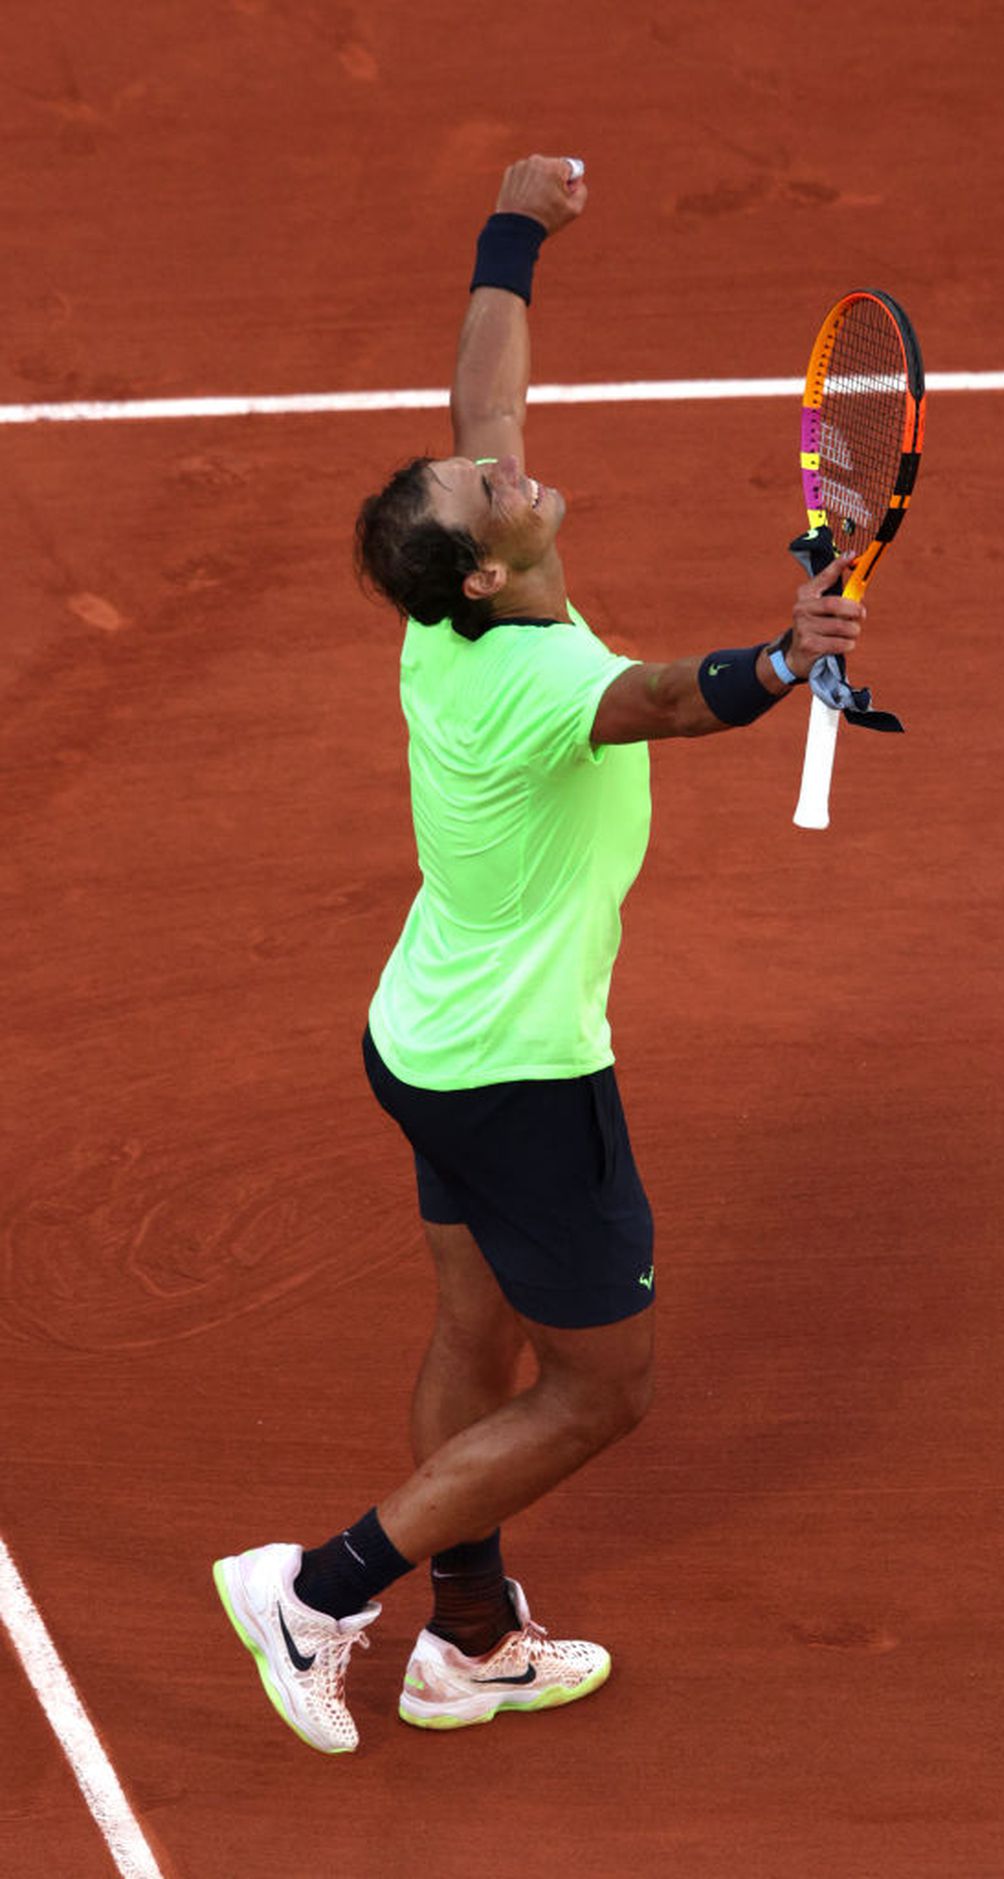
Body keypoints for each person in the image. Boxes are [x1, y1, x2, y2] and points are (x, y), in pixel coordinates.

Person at [213, 154, 866, 1754]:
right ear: (490, 573)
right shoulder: (522, 687)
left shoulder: (456, 612)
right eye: (486, 492)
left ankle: (476, 1642)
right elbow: (659, 699)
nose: (501, 470)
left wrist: (514, 231)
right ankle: (320, 1590)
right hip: (517, 1070)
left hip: (425, 1040)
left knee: (477, 1335)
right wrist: (788, 653)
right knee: (603, 1388)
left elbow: (480, 396)